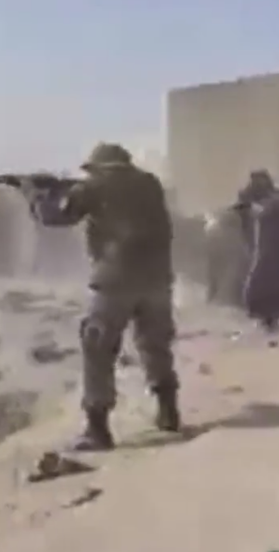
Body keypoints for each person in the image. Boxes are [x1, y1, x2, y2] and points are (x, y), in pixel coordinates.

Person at [46, 142, 181, 450]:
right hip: (157, 278)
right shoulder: (150, 183)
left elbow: (56, 217)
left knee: (97, 345)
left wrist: (37, 195)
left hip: (117, 278)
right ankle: (168, 412)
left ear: (100, 167)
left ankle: (97, 428)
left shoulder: (95, 185)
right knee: (155, 344)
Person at [242, 180, 279, 331]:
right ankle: (271, 319)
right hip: (277, 252)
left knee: (263, 285)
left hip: (271, 252)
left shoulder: (272, 206)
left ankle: (270, 320)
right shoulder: (277, 202)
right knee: (272, 285)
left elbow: (267, 227)